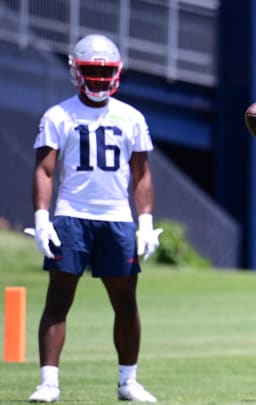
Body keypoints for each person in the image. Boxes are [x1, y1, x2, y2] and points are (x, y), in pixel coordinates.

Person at [26, 34, 161, 403]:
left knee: (126, 303)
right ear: (76, 72)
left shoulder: (131, 116)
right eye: (91, 72)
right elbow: (45, 170)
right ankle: (49, 382)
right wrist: (41, 217)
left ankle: (127, 381)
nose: (99, 80)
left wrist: (145, 221)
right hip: (71, 215)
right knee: (58, 300)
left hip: (116, 218)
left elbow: (142, 173)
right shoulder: (58, 115)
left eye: (105, 72)